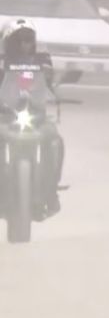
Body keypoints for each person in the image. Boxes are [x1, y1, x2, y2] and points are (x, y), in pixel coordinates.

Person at [0, 18, 62, 218]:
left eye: (28, 39)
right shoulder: (1, 60)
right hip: (4, 116)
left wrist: (51, 81)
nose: (24, 44)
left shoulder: (42, 59)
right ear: (9, 42)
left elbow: (49, 82)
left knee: (55, 141)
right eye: (19, 40)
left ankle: (50, 192)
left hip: (36, 116)